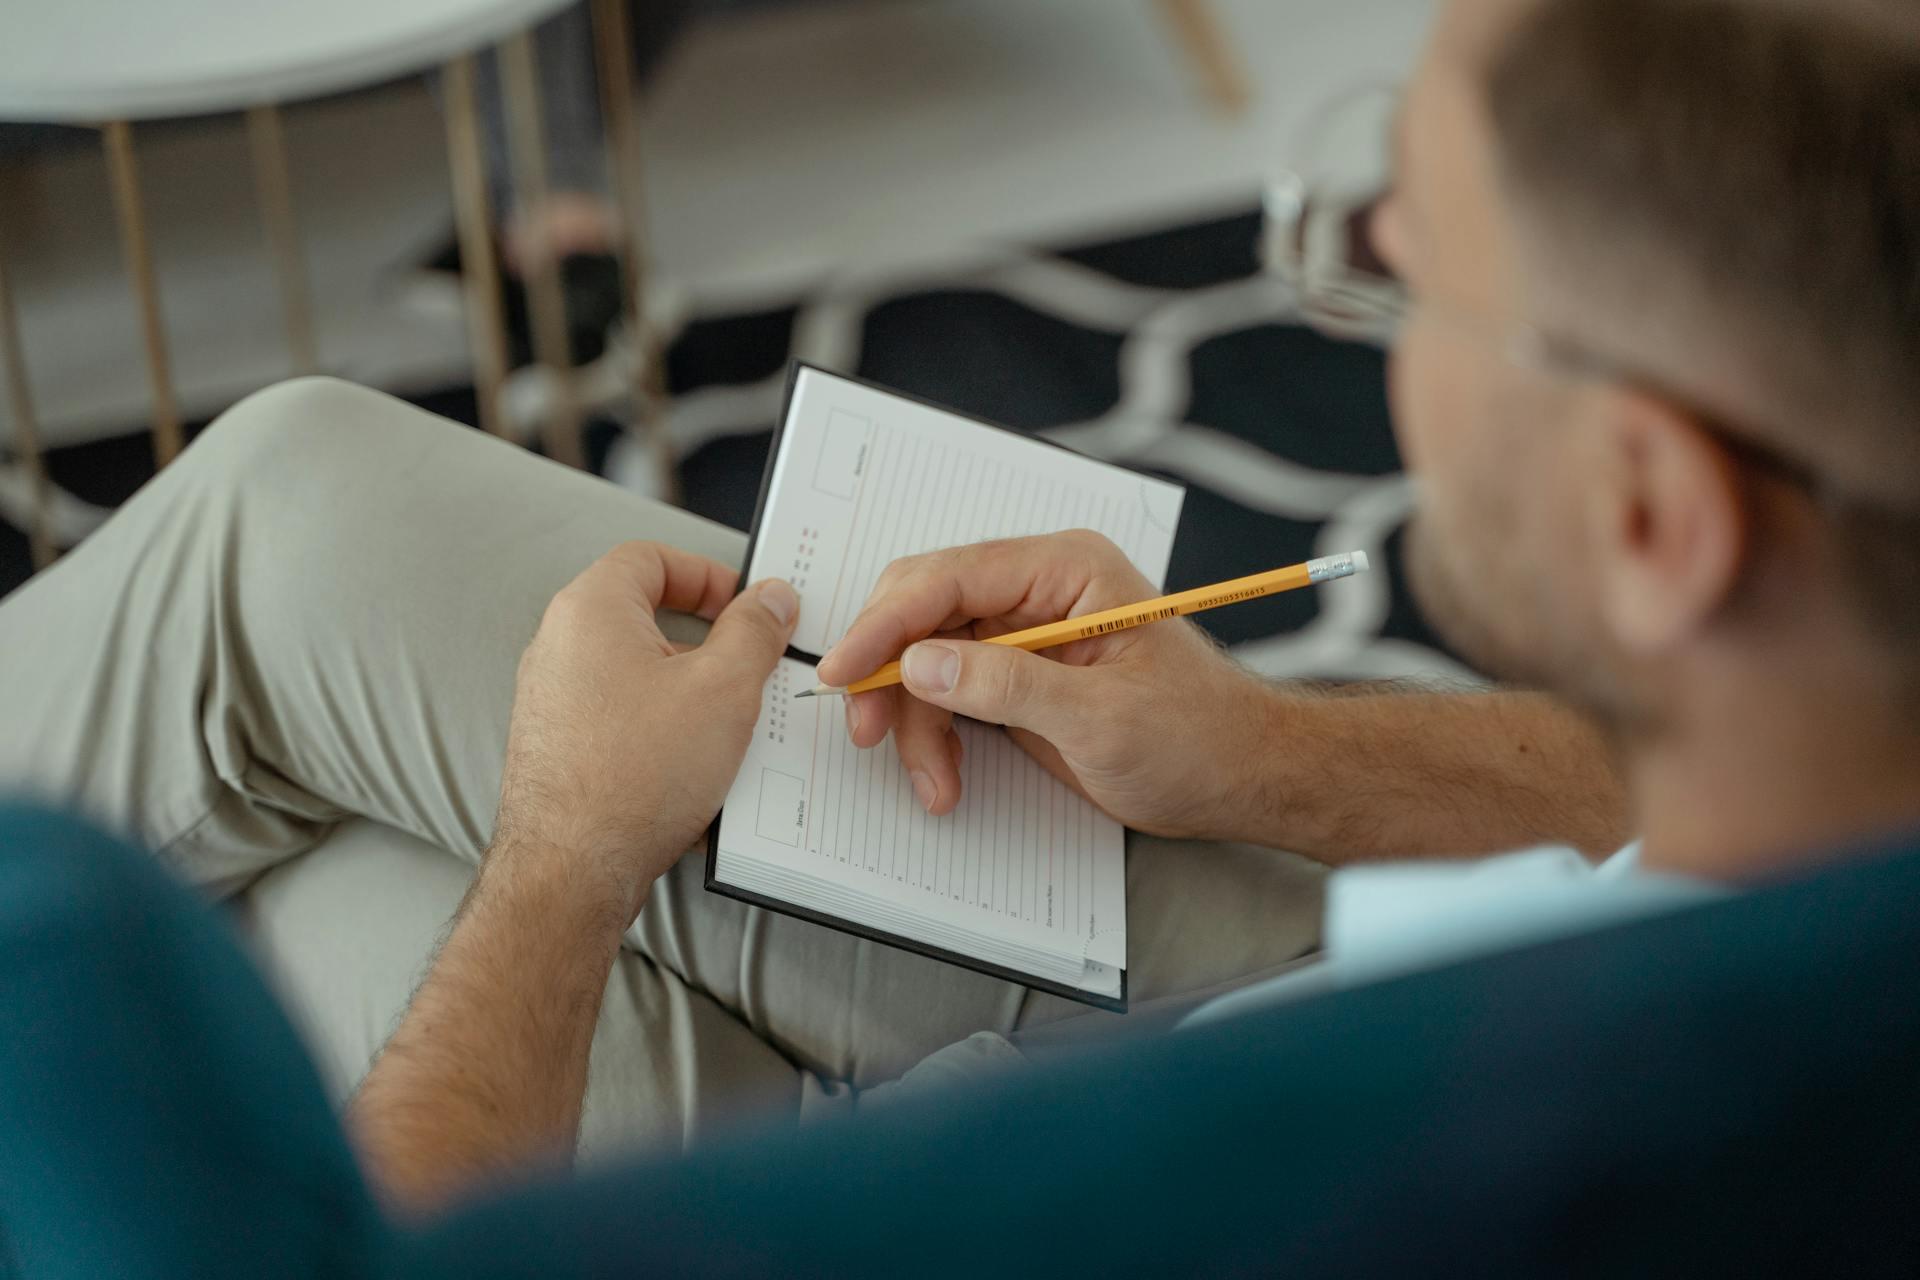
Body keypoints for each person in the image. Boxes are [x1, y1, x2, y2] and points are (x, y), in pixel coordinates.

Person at [2, 0, 1916, 1219]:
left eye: (1406, 285)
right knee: (296, 549)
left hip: (1001, 1137)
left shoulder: (1439, 1147)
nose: (1381, 323)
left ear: (1649, 512)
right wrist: (1272, 754)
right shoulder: (1824, 809)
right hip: (1238, 975)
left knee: (280, 848)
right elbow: (1672, 812)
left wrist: (566, 864)